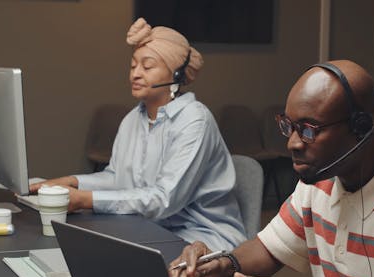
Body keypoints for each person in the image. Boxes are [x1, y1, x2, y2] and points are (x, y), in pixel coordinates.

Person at [170, 60, 374, 277]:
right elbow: (267, 249)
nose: (292, 143)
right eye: (289, 126)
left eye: (309, 130)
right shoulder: (319, 180)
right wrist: (220, 264)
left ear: (360, 128)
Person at [30, 18, 246, 251]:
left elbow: (164, 200)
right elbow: (116, 177)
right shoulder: (133, 118)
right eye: (133, 66)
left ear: (176, 73)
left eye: (148, 66)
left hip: (201, 237)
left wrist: (84, 199)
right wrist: (70, 182)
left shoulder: (195, 120)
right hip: (150, 228)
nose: (136, 74)